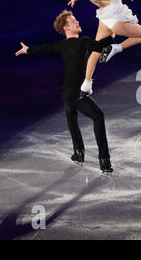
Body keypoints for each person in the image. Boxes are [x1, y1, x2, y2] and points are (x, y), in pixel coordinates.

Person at [15, 10, 114, 174]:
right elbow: (98, 46)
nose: (77, 22)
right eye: (74, 20)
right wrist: (112, 35)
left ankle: (78, 153)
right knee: (98, 117)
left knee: (72, 119)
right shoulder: (83, 41)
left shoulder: (63, 45)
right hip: (76, 94)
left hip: (67, 93)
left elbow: (46, 48)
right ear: (66, 27)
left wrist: (28, 50)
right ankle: (104, 161)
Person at [59, 0, 141, 95]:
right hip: (116, 19)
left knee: (97, 49)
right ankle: (116, 48)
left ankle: (86, 85)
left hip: (106, 20)